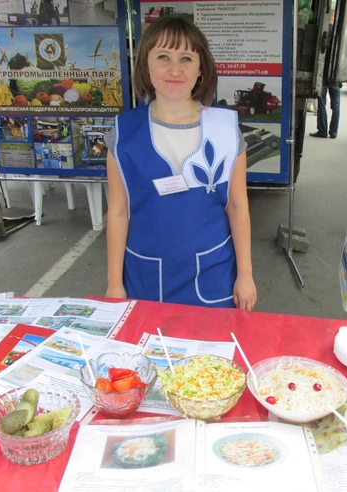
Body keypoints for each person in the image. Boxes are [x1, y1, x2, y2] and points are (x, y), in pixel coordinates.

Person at [105, 16, 257, 311]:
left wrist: (246, 275)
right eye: (163, 57)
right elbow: (118, 211)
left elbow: (237, 206)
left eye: (186, 58)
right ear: (145, 66)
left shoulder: (226, 130)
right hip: (144, 276)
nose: (175, 69)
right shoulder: (123, 133)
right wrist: (114, 284)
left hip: (212, 276)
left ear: (201, 69)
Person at [310, 10, 340, 139]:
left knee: (321, 104)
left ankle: (322, 131)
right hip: (335, 76)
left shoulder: (322, 32)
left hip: (322, 74)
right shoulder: (339, 34)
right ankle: (333, 132)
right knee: (336, 106)